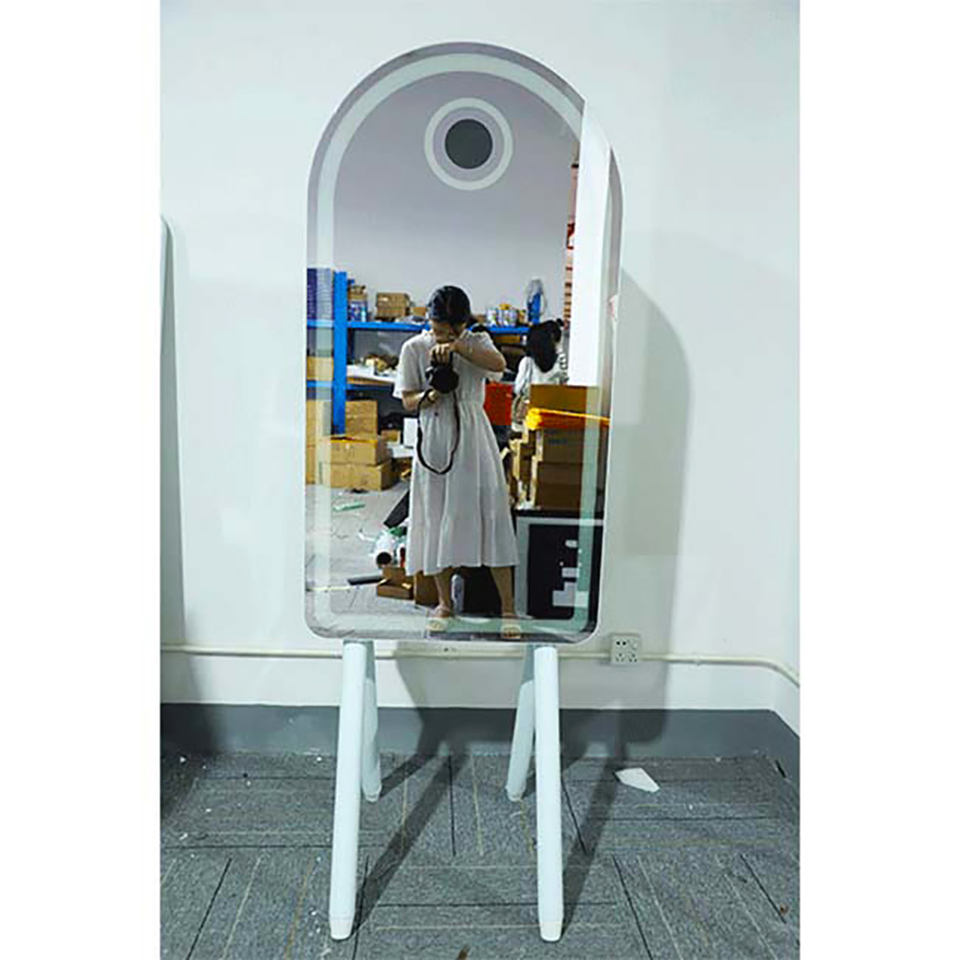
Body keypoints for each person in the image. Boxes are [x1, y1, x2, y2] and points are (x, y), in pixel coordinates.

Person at [394, 285, 521, 638]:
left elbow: (499, 365)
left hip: (474, 434)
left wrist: (459, 347)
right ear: (429, 320)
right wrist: (433, 393)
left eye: (452, 330)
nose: (443, 337)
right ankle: (444, 603)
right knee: (435, 513)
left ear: (464, 324)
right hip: (435, 435)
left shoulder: (477, 343)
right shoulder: (414, 348)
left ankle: (508, 608)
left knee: (491, 512)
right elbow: (407, 400)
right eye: (438, 329)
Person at [511, 319, 569, 429]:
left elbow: (519, 388)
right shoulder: (558, 362)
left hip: (531, 414)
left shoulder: (527, 362)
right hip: (552, 412)